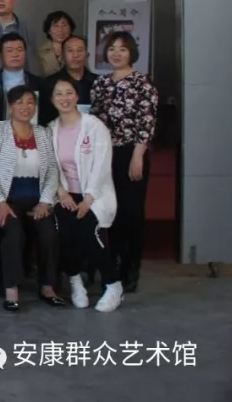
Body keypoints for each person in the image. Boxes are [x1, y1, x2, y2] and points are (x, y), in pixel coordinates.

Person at [0, 85, 63, 311]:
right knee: (14, 233)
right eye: (19, 102)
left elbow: (52, 170)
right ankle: (11, 290)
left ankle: (48, 287)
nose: (25, 107)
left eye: (30, 102)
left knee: (49, 234)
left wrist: (46, 201)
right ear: (10, 107)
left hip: (37, 200)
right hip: (7, 199)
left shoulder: (43, 133)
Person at [89, 31, 158, 294]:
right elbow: (94, 121)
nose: (116, 53)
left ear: (132, 53)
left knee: (132, 213)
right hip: (105, 154)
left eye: (122, 49)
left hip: (132, 153)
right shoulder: (100, 84)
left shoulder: (143, 83)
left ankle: (131, 267)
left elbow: (147, 121)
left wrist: (138, 155)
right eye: (112, 48)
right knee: (110, 210)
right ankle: (114, 265)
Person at [48, 79, 122, 312]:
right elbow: (50, 166)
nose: (64, 98)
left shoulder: (94, 126)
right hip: (64, 194)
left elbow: (102, 165)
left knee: (88, 231)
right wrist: (61, 193)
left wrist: (88, 199)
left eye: (69, 92)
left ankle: (113, 284)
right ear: (52, 99)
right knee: (63, 230)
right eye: (59, 94)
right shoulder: (51, 129)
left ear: (77, 97)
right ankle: (75, 281)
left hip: (94, 193)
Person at [0, 32, 44, 124]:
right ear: (0, 55)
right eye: (9, 50)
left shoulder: (38, 83)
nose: (15, 54)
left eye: (20, 50)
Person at [39, 34, 96, 125]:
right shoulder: (49, 83)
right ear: (62, 55)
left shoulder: (98, 82)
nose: (75, 55)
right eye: (70, 50)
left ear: (87, 55)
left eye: (80, 50)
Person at [37, 10, 76, 76]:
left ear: (70, 28)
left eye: (64, 25)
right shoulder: (39, 52)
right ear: (48, 30)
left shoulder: (78, 49)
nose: (60, 30)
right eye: (56, 26)